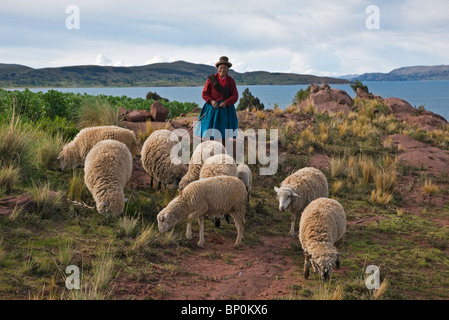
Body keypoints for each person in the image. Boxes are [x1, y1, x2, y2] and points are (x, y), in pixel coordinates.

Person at [194, 56, 239, 143]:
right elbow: (204, 93)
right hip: (212, 107)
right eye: (221, 67)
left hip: (226, 109)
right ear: (218, 69)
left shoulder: (231, 81)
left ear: (228, 70)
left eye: (225, 68)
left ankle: (224, 144)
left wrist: (226, 102)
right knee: (209, 128)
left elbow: (235, 96)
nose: (222, 70)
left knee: (224, 131)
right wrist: (212, 101)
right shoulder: (211, 79)